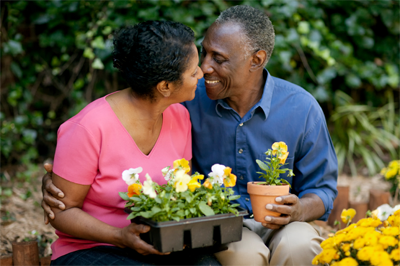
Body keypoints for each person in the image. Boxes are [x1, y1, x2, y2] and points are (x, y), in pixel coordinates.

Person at [43, 5, 338, 266]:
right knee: (244, 256)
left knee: (300, 246)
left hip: (283, 223)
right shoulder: (188, 101)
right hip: (214, 226)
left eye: (218, 58)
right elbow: (139, 95)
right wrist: (59, 179)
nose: (204, 69)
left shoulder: (300, 107)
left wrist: (299, 209)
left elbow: (324, 189)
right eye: (203, 54)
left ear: (256, 60)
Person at [42, 20, 222, 266]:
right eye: (193, 72)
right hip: (92, 248)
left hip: (159, 243)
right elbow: (61, 212)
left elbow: (179, 192)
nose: (202, 73)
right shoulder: (88, 127)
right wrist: (120, 236)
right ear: (165, 86)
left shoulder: (180, 117)